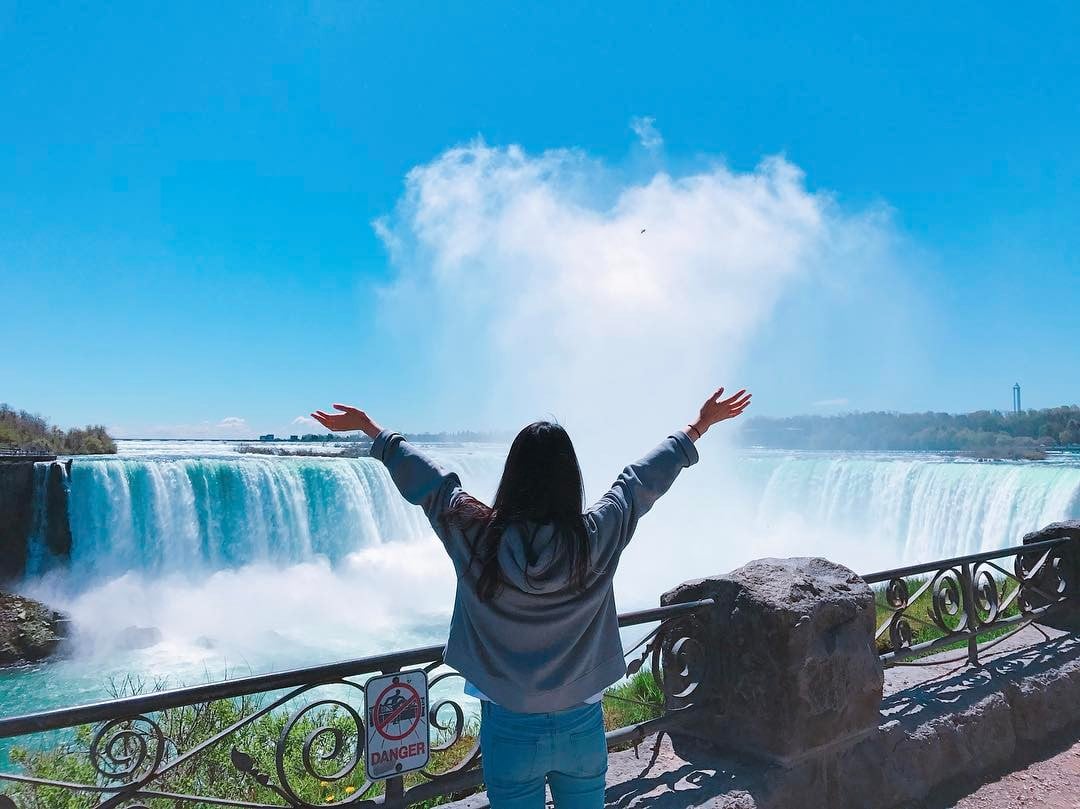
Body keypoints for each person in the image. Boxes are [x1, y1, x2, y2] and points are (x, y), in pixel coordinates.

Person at [310, 386, 751, 809]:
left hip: (508, 727)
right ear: (570, 479)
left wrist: (373, 430)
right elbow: (637, 482)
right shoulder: (596, 536)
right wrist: (698, 426)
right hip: (581, 723)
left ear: (512, 476)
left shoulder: (476, 535)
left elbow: (434, 485)